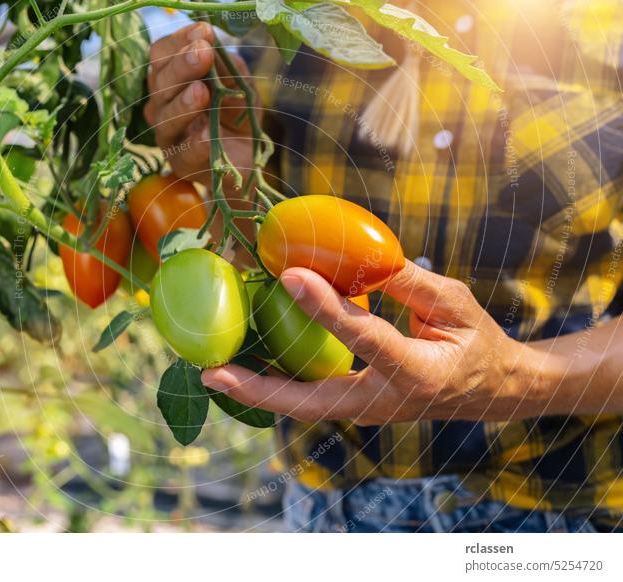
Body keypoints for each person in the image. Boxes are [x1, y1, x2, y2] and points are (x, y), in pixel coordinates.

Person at [143, 1, 623, 533]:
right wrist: (227, 177)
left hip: (561, 508)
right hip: (329, 509)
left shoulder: (600, 34)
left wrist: (513, 377)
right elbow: (258, 253)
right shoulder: (286, 30)